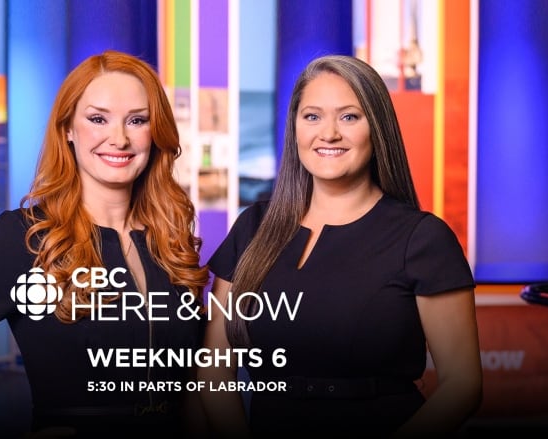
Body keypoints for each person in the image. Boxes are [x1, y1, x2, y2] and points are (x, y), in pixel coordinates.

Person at [0, 50, 209, 438]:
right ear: (68, 131)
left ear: (155, 131)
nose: (119, 138)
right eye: (98, 119)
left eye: (137, 120)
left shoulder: (170, 238)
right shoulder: (25, 237)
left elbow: (192, 383)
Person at [199, 54, 482, 438]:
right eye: (312, 116)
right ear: (295, 128)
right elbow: (216, 369)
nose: (328, 133)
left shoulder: (423, 240)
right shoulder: (253, 227)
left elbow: (462, 386)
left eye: (349, 116)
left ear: (376, 128)